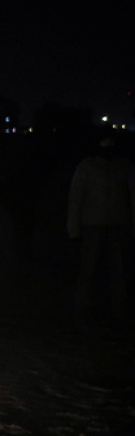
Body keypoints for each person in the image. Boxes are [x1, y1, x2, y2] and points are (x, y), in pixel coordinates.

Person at [67, 133, 134, 322]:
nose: (107, 145)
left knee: (117, 271)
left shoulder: (124, 166)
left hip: (116, 225)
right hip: (94, 225)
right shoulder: (87, 166)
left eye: (110, 142)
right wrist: (73, 228)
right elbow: (76, 198)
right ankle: (82, 311)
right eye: (104, 141)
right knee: (89, 270)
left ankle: (118, 313)